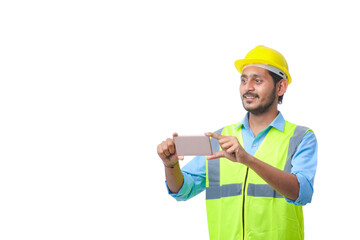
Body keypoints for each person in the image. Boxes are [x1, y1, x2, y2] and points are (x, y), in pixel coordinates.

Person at [157, 45, 317, 240]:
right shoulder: (218, 138)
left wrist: (248, 159)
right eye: (243, 80)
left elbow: (303, 192)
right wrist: (171, 165)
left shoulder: (300, 137)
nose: (248, 87)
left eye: (257, 80)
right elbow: (182, 190)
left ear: (280, 87)